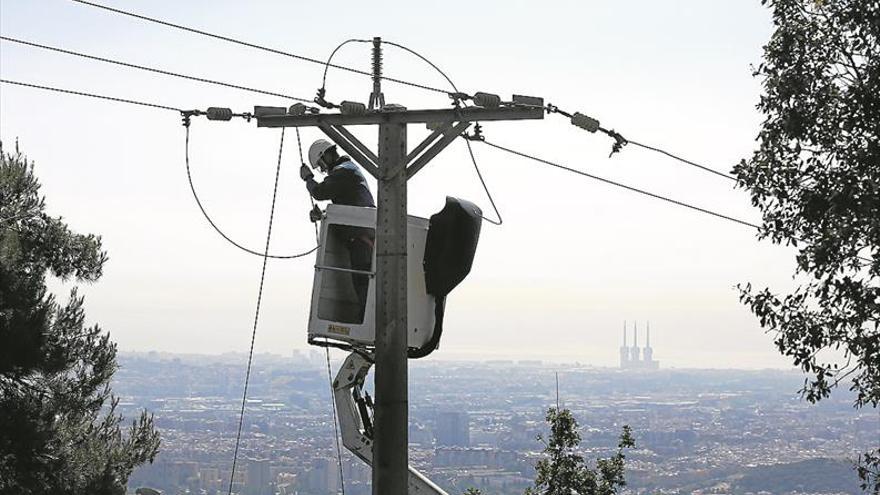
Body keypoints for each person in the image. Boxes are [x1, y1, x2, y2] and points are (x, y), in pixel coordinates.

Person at [300, 139, 375, 321]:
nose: (323, 170)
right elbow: (347, 204)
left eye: (321, 165)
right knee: (363, 283)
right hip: (364, 236)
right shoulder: (349, 171)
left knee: (363, 284)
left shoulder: (344, 172)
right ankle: (365, 320)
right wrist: (324, 215)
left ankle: (365, 322)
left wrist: (308, 178)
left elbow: (319, 192)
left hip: (361, 239)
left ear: (325, 156)